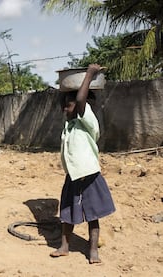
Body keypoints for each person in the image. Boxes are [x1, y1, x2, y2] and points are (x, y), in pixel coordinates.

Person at [50, 64, 116, 264]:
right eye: (64, 105)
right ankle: (64, 246)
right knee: (67, 214)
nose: (64, 108)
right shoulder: (68, 127)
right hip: (73, 176)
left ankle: (93, 250)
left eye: (68, 105)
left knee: (93, 215)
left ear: (84, 106)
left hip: (89, 176)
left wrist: (89, 74)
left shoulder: (88, 122)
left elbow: (80, 100)